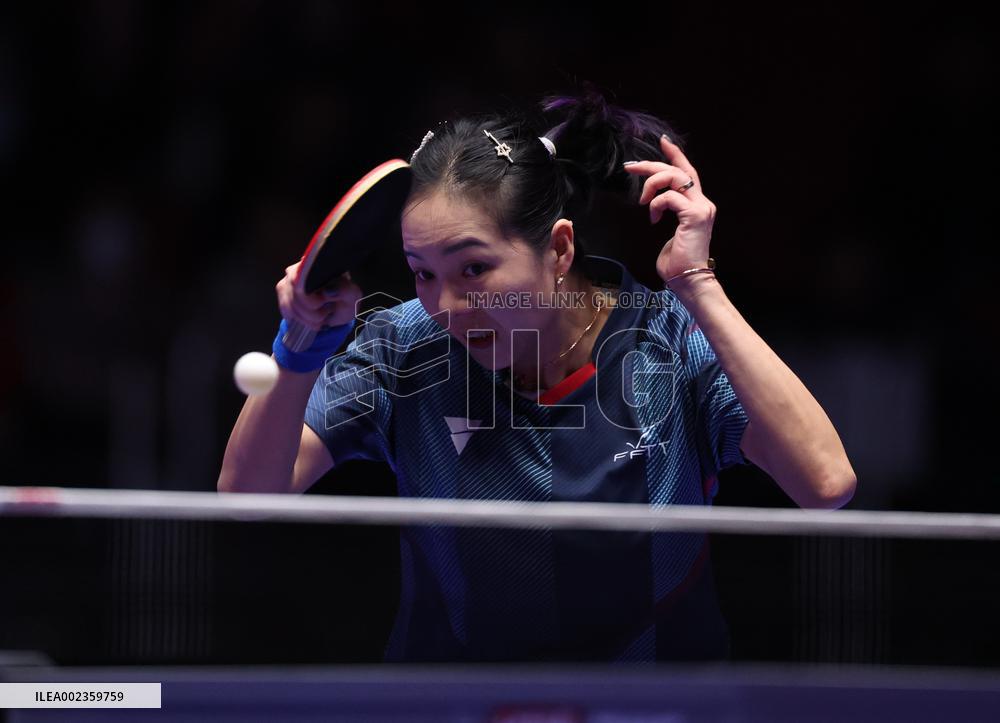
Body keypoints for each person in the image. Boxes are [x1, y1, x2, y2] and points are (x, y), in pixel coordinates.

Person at [217, 88, 857, 663]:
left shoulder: (666, 339)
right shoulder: (405, 344)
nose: (444, 305)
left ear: (558, 249)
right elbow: (247, 500)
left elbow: (825, 483)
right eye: (422, 271)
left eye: (473, 269)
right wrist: (299, 350)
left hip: (654, 708)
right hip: (454, 709)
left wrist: (697, 283)